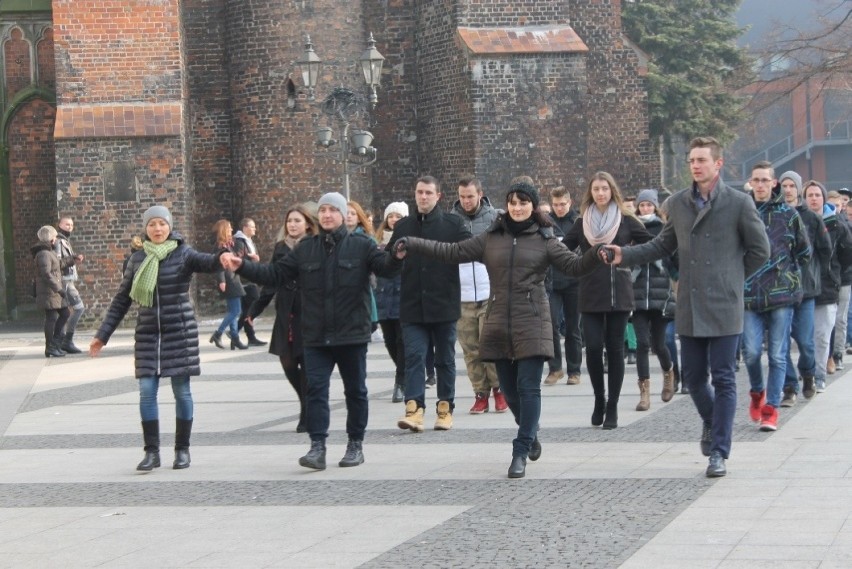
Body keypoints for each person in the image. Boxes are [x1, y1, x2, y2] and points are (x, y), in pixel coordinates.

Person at [393, 176, 602, 478]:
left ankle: (520, 449)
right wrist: (413, 243)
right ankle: (530, 431)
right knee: (509, 390)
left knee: (528, 388)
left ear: (532, 206)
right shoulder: (492, 237)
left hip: (532, 321)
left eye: (524, 202)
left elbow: (573, 266)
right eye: (513, 202)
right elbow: (453, 252)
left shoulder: (546, 240)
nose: (517, 208)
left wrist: (596, 253)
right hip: (499, 322)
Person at [603, 136, 770, 478]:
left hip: (725, 305)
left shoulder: (739, 203)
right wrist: (625, 255)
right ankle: (712, 421)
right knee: (693, 378)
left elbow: (760, 251)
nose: (695, 165)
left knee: (724, 377)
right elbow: (662, 245)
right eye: (692, 160)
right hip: (691, 305)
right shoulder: (678, 203)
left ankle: (719, 451)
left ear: (717, 164)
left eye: (701, 160)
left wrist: (732, 279)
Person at [221, 192, 401, 471]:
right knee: (315, 390)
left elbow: (386, 268)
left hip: (351, 332)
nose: (328, 214)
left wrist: (398, 255)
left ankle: (355, 445)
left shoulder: (362, 245)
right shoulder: (306, 248)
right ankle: (317, 446)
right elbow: (275, 275)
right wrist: (243, 265)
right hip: (316, 333)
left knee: (355, 391)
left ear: (343, 215)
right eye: (324, 210)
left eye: (333, 210)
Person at [89, 205, 227, 471]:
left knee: (181, 391)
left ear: (170, 226)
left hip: (180, 331)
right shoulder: (137, 259)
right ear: (146, 229)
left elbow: (207, 262)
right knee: (146, 392)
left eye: (162, 224)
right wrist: (102, 336)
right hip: (148, 334)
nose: (157, 229)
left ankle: (182, 450)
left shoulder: (183, 253)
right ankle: (152, 452)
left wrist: (222, 255)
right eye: (152, 224)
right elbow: (121, 300)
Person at [563, 172, 652, 430]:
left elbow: (649, 245)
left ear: (612, 191)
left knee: (615, 349)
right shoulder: (582, 222)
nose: (600, 193)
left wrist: (626, 259)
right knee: (592, 347)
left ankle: (612, 405)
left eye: (604, 189)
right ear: (590, 193)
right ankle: (599, 399)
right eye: (596, 189)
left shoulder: (625, 221)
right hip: (590, 292)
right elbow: (563, 248)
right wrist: (575, 266)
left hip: (619, 293)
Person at [389, 176, 472, 432]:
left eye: (427, 193)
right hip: (413, 306)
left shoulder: (453, 224)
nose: (422, 197)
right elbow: (389, 264)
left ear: (438, 196)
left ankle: (445, 408)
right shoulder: (403, 226)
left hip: (443, 304)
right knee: (414, 357)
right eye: (419, 192)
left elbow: (471, 249)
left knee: (444, 360)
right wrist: (394, 255)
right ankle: (414, 408)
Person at [741, 161, 810, 431]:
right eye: (755, 180)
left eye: (764, 180)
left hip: (781, 294)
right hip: (748, 294)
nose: (760, 185)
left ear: (773, 183)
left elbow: (804, 253)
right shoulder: (742, 212)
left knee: (778, 355)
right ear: (751, 182)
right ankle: (757, 392)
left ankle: (771, 409)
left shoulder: (788, 214)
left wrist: (790, 277)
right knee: (751, 353)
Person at [247, 205, 318, 433]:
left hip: (308, 311)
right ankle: (306, 401)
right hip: (286, 310)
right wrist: (255, 309)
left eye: (297, 221)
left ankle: (307, 412)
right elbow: (272, 280)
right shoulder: (280, 248)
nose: (292, 225)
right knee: (287, 361)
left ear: (307, 224)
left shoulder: (315, 246)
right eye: (289, 221)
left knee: (307, 363)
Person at [450, 175, 506, 414]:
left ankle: (499, 389)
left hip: (489, 291)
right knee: (470, 348)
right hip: (461, 293)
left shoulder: (496, 218)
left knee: (490, 344)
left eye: (470, 196)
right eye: (462, 197)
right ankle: (480, 392)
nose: (466, 201)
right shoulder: (451, 221)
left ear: (480, 195)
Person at [779, 171, 831, 405]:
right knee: (780, 342)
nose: (788, 189)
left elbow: (825, 249)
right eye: (784, 185)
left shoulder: (811, 218)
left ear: (798, 189)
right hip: (780, 290)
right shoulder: (775, 214)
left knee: (805, 341)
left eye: (792, 185)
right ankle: (790, 385)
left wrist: (814, 272)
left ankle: (808, 374)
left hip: (807, 289)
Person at [630, 189, 677, 411]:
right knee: (642, 343)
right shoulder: (632, 229)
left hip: (660, 293)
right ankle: (644, 393)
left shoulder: (664, 228)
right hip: (637, 293)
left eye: (649, 205)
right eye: (642, 205)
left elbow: (672, 259)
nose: (645, 209)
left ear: (655, 206)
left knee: (660, 344)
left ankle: (669, 373)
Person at [804, 181, 852, 393]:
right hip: (803, 286)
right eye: (810, 195)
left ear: (823, 198)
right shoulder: (798, 220)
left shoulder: (837, 225)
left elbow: (847, 252)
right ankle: (807, 371)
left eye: (817, 195)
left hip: (828, 285)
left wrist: (835, 272)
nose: (813, 198)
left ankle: (819, 374)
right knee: (805, 336)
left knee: (823, 334)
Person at [544, 186, 583, 386]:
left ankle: (574, 370)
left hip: (574, 283)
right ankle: (555, 368)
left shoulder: (578, 222)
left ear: (570, 203)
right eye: (556, 205)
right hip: (552, 283)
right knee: (550, 325)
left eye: (563, 204)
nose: (559, 208)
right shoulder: (546, 223)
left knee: (572, 328)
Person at [375, 201, 409, 403]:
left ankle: (401, 382)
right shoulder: (378, 242)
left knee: (401, 340)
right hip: (383, 296)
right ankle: (407, 371)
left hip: (403, 295)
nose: (394, 219)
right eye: (391, 216)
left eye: (398, 216)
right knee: (389, 341)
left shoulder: (409, 241)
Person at [209, 220, 248, 350]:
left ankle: (235, 337)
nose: (231, 230)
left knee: (233, 311)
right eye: (229, 228)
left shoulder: (229, 244)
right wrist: (221, 280)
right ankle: (218, 333)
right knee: (236, 310)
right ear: (224, 229)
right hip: (229, 280)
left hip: (233, 278)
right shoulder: (220, 246)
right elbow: (218, 265)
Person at [32, 225, 69, 358]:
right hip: (49, 292)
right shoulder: (43, 253)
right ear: (51, 239)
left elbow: (57, 265)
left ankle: (55, 344)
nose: (56, 239)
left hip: (53, 292)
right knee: (52, 318)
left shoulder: (48, 252)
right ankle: (51, 347)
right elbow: (46, 274)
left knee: (64, 313)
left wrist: (72, 260)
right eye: (54, 237)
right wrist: (59, 289)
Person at [233, 218, 267, 347]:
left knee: (247, 309)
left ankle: (250, 336)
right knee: (254, 303)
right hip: (245, 280)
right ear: (245, 227)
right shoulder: (240, 242)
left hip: (251, 277)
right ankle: (234, 331)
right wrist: (251, 258)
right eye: (252, 227)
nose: (255, 229)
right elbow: (238, 258)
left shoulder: (249, 241)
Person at [54, 216, 85, 354]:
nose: (69, 227)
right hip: (65, 281)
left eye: (71, 225)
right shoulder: (59, 242)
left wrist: (74, 259)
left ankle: (61, 341)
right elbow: (58, 263)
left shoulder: (65, 241)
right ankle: (67, 340)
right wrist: (73, 259)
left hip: (68, 280)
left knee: (64, 312)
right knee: (79, 308)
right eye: (67, 224)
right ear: (59, 225)